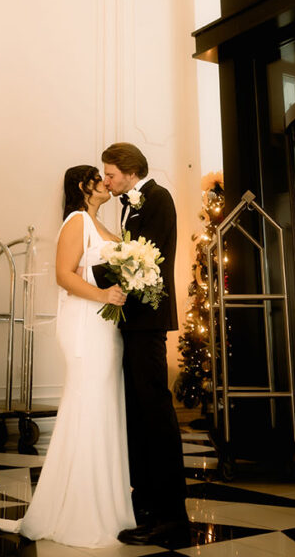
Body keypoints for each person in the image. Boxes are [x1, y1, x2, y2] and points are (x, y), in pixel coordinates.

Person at [0, 165, 135, 547]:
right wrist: (104, 295)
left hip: (108, 326)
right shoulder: (76, 221)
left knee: (104, 409)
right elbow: (63, 275)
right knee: (87, 407)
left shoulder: (102, 224)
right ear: (82, 186)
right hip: (87, 326)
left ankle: (109, 506)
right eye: (99, 177)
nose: (106, 183)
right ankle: (77, 512)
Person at [100, 142, 190, 549]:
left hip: (149, 321)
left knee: (154, 412)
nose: (106, 181)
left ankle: (172, 516)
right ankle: (148, 507)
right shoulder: (130, 201)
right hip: (132, 320)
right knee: (137, 413)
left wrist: (91, 272)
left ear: (130, 171)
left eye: (111, 175)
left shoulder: (157, 198)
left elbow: (142, 260)